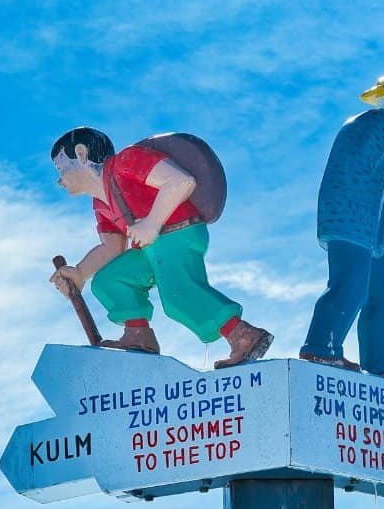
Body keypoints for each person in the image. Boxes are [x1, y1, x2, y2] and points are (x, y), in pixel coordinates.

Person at [48, 127, 272, 368]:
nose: (60, 179)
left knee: (179, 294)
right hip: (150, 248)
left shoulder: (127, 161)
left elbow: (180, 181)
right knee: (110, 279)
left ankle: (243, 335)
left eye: (62, 168)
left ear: (81, 154)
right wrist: (80, 273)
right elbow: (111, 249)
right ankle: (138, 337)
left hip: (177, 232)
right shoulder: (101, 203)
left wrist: (152, 223)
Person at [300, 76, 384, 383]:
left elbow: (378, 195)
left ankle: (379, 364)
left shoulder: (373, 127)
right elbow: (370, 192)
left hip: (364, 224)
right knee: (351, 286)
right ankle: (321, 347)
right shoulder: (380, 124)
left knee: (383, 297)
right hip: (352, 220)